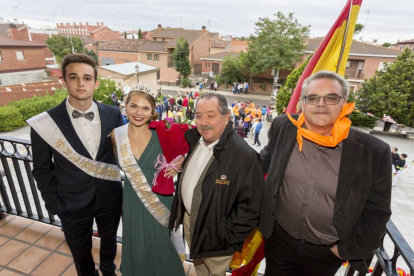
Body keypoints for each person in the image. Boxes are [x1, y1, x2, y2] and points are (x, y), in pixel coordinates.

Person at [259, 71, 392, 276]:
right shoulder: (283, 127)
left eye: (331, 98)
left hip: (326, 254)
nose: (321, 104)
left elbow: (377, 212)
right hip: (279, 242)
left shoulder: (373, 151)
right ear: (302, 103)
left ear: (344, 103)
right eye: (312, 98)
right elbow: (260, 166)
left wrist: (341, 251)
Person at [29, 54, 124, 276]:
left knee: (109, 245)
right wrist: (55, 204)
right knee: (81, 255)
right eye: (74, 77)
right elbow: (42, 169)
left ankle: (108, 271)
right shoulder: (45, 123)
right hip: (70, 204)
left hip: (110, 198)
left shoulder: (113, 114)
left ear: (96, 83)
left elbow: (122, 152)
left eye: (87, 78)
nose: (81, 83)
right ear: (64, 81)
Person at [169, 93, 264, 276]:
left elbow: (251, 208)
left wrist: (226, 237)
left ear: (226, 117)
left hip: (217, 235)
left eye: (210, 115)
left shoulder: (245, 157)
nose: (203, 122)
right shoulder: (194, 139)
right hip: (191, 223)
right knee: (200, 269)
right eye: (198, 116)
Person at [111, 88, 186, 276]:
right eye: (133, 106)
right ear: (125, 106)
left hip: (160, 200)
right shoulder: (116, 135)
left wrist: (182, 159)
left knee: (163, 248)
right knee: (137, 246)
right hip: (132, 201)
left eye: (145, 108)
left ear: (153, 111)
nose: (138, 113)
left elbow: (192, 146)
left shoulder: (163, 133)